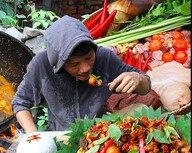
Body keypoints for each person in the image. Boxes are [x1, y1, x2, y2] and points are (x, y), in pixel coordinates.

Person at [11, 15, 151, 133]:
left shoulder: (104, 57)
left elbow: (146, 87)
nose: (85, 68)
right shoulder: (42, 64)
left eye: (89, 58)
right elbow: (20, 102)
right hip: (61, 137)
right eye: (74, 64)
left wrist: (138, 79)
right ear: (58, 63)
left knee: (141, 109)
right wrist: (34, 136)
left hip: (99, 133)